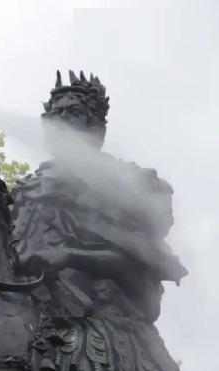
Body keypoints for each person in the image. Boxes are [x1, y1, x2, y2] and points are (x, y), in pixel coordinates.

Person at [10, 70, 187, 371]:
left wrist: (68, 255)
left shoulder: (128, 186)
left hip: (98, 323)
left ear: (97, 130)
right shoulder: (23, 190)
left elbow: (139, 264)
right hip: (24, 315)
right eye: (55, 114)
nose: (62, 120)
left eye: (74, 113)